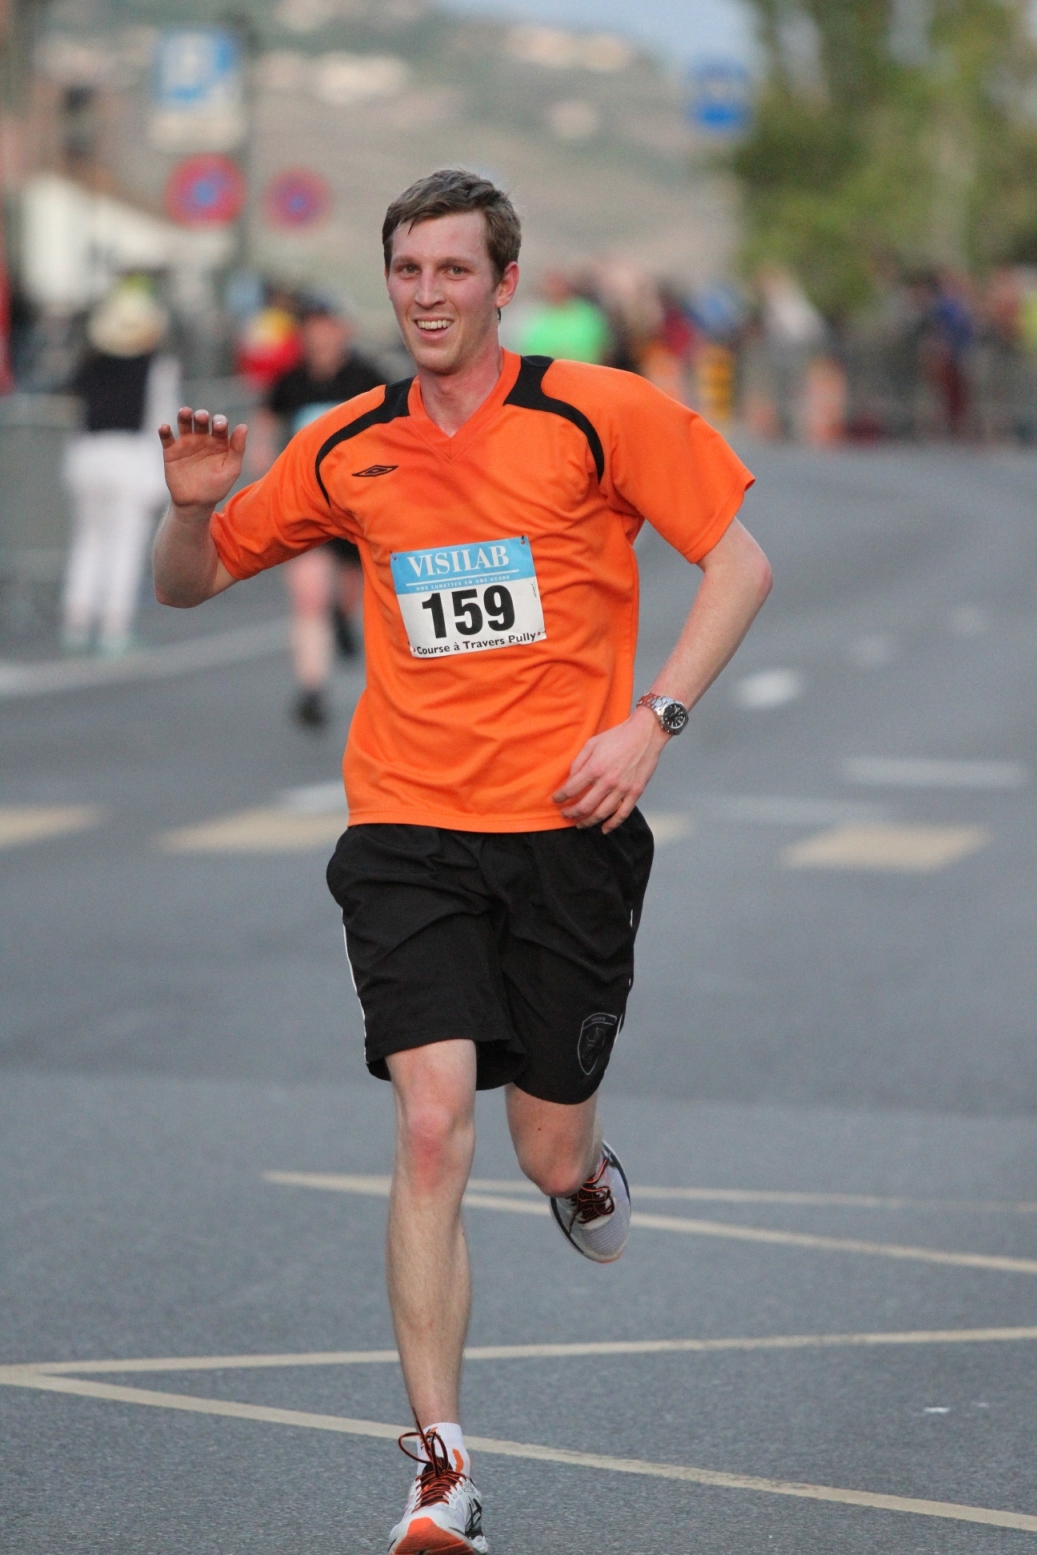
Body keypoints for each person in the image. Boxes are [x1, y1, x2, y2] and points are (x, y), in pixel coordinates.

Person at [153, 168, 771, 1554]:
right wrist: (192, 509)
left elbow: (738, 564)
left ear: (503, 284)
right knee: (430, 1122)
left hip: (567, 829)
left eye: (452, 270)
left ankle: (585, 1171)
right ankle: (440, 1471)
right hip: (406, 827)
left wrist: (653, 721)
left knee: (543, 1146)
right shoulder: (344, 443)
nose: (426, 295)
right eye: (407, 270)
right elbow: (186, 583)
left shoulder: (594, 412)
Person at [253, 298, 384, 727]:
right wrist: (263, 456)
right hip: (305, 503)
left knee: (347, 588)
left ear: (344, 330)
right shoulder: (290, 380)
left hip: (357, 505)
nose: (320, 335)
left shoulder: (367, 377)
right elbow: (267, 420)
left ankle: (342, 619)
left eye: (327, 326)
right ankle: (311, 688)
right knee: (308, 596)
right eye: (312, 326)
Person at [61, 280, 179, 655]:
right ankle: (114, 627)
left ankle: (77, 620)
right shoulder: (157, 368)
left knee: (89, 540)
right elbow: (164, 424)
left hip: (87, 456)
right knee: (125, 544)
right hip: (130, 459)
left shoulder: (90, 367)